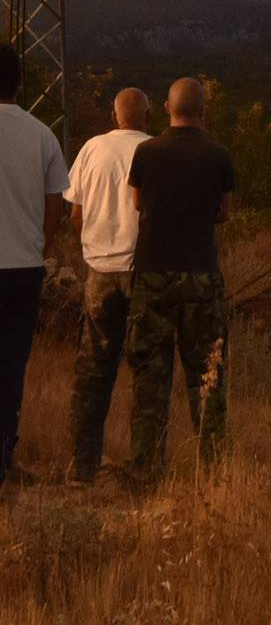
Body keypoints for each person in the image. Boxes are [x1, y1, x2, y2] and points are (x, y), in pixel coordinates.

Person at [126, 78, 235, 486]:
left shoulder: (146, 151)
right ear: (203, 110)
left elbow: (137, 202)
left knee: (150, 376)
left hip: (153, 272)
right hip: (201, 274)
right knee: (206, 377)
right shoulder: (219, 155)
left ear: (168, 109)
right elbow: (224, 212)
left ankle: (145, 468)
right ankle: (212, 470)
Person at [65, 88, 152, 484]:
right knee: (148, 368)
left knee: (93, 371)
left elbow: (76, 214)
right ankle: (144, 467)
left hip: (99, 269)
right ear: (148, 116)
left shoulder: (91, 149)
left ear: (114, 114)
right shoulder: (155, 150)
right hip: (143, 270)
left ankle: (83, 467)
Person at [0, 41, 67, 481]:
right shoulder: (42, 133)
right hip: (23, 267)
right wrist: (40, 246)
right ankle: (4, 457)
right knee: (10, 367)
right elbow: (55, 204)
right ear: (20, 82)